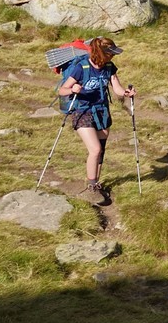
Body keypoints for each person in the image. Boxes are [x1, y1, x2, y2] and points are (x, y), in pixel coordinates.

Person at [56, 37, 135, 203]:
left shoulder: (109, 67)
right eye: (110, 53)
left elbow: (117, 88)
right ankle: (91, 187)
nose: (113, 56)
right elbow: (62, 90)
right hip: (82, 111)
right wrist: (72, 88)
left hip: (102, 111)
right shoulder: (81, 68)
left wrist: (126, 94)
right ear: (102, 53)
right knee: (95, 149)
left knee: (101, 149)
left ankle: (96, 182)